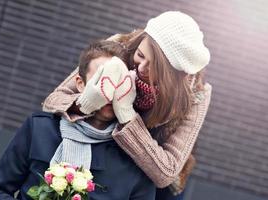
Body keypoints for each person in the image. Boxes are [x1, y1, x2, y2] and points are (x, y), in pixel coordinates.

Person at [42, 11, 212, 199]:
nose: (141, 67)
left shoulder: (195, 93)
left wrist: (126, 114)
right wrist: (88, 101)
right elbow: (53, 102)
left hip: (156, 185)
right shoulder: (119, 48)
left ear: (172, 75)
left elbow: (167, 171)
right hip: (106, 158)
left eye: (154, 67)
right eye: (141, 55)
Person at [0, 41, 156, 200]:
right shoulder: (40, 128)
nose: (108, 92)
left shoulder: (136, 156)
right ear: (80, 83)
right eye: (100, 81)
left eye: (118, 82)